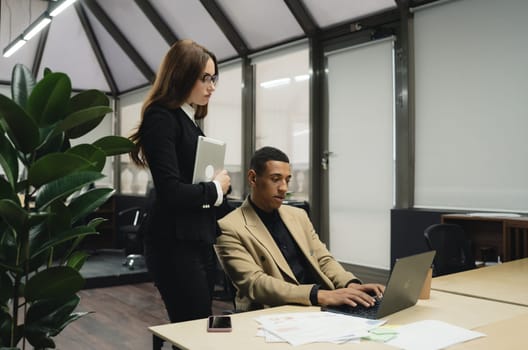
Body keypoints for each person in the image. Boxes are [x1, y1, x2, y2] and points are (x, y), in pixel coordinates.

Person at [128, 39, 231, 323]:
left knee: (200, 323)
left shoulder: (189, 120)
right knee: (195, 324)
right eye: (205, 78)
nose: (212, 86)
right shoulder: (161, 117)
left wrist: (220, 187)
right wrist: (214, 188)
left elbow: (192, 181)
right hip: (173, 244)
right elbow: (172, 191)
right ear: (182, 76)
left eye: (214, 78)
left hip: (197, 238)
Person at [216, 146, 385, 312]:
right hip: (274, 312)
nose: (284, 188)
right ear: (253, 178)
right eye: (276, 179)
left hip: (319, 306)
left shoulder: (298, 215)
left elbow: (323, 259)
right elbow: (255, 283)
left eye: (287, 180)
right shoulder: (229, 226)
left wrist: (351, 285)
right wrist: (318, 295)